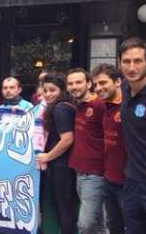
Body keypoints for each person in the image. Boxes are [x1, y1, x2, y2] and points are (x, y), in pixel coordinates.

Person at [118, 37, 146, 234]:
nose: (131, 67)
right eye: (126, 61)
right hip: (133, 181)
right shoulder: (125, 89)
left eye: (138, 61)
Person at [66, 68, 106, 234]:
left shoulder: (99, 105)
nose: (74, 86)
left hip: (95, 173)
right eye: (70, 83)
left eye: (78, 82)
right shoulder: (79, 106)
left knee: (85, 224)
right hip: (79, 172)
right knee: (98, 223)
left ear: (89, 84)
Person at [36, 73, 77, 234]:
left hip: (61, 167)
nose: (48, 94)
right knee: (63, 208)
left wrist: (48, 156)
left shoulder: (60, 108)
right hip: (62, 165)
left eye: (52, 90)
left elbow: (67, 139)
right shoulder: (63, 106)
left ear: (62, 90)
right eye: (45, 91)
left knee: (64, 209)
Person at [91, 63, 126, 234]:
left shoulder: (130, 106)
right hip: (109, 178)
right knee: (113, 227)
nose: (98, 88)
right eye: (96, 84)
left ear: (118, 81)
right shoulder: (102, 107)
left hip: (130, 182)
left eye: (103, 83)